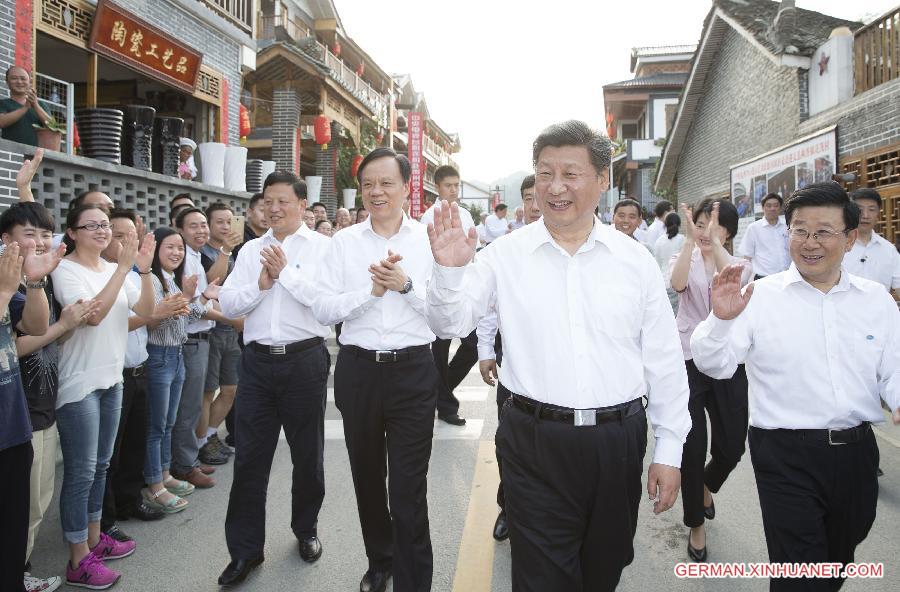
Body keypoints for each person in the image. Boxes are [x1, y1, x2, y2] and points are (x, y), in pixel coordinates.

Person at [426, 120, 690, 591]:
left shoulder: (634, 263)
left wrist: (670, 451)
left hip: (617, 441)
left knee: (603, 569)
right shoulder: (503, 255)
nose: (555, 187)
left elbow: (665, 362)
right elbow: (451, 323)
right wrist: (448, 274)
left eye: (571, 173)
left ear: (603, 180)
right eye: (545, 173)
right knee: (542, 575)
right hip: (533, 442)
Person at [691, 182, 899, 591]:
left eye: (823, 231)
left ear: (850, 237)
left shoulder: (876, 301)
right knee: (799, 572)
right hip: (784, 453)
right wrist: (720, 320)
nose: (809, 242)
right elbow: (713, 364)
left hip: (856, 453)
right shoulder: (759, 296)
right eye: (799, 230)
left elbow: (893, 370)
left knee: (837, 559)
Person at [313, 148, 439, 592]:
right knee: (367, 477)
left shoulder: (428, 241)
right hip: (359, 371)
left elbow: (446, 317)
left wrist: (403, 286)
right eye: (368, 184)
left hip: (413, 373)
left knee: (408, 489)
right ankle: (380, 561)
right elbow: (322, 306)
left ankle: (414, 580)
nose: (376, 192)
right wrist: (368, 293)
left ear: (407, 187)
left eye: (386, 183)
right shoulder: (343, 244)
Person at [217, 172, 331, 586]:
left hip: (304, 362)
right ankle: (245, 551)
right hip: (258, 364)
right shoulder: (250, 251)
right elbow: (229, 300)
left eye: (283, 201)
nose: (274, 209)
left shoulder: (323, 249)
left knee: (307, 456)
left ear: (303, 205)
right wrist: (262, 286)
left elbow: (326, 307)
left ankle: (306, 529)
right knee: (249, 459)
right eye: (269, 201)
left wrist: (287, 275)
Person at [52, 204, 156, 589]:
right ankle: (77, 559)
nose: (101, 231)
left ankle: (95, 541)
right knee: (80, 472)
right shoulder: (66, 271)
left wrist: (141, 270)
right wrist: (123, 268)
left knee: (100, 466)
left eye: (104, 225)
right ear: (72, 232)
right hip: (80, 383)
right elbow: (92, 315)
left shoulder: (115, 269)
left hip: (113, 378)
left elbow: (147, 309)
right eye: (91, 225)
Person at [668, 199, 751, 563]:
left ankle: (706, 484)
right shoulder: (682, 256)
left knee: (732, 446)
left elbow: (732, 275)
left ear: (728, 232)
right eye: (700, 223)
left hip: (727, 360)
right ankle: (695, 524)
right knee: (692, 444)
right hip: (688, 359)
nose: (704, 230)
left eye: (713, 225)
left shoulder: (741, 265)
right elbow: (678, 283)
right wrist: (690, 242)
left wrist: (714, 244)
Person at [0, 204, 73, 592]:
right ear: (6, 241)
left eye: (46, 234)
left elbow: (35, 324)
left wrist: (32, 284)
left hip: (22, 416)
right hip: (16, 414)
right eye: (30, 234)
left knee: (26, 509)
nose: (42, 242)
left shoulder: (23, 280)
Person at [476, 173, 539, 543]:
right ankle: (508, 507)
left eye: (539, 196)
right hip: (512, 361)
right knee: (509, 442)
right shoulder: (506, 248)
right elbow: (489, 307)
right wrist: (485, 351)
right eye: (529, 197)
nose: (535, 204)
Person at [100, 210, 168, 541]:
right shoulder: (101, 274)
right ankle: (105, 520)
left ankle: (129, 501)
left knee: (135, 444)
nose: (128, 241)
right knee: (109, 452)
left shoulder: (133, 274)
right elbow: (119, 322)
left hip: (141, 366)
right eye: (118, 235)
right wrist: (157, 313)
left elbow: (148, 316)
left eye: (132, 235)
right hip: (116, 372)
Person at [142, 228, 213, 515]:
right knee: (156, 425)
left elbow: (190, 315)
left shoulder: (171, 280)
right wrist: (172, 306)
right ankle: (154, 483)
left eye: (179, 249)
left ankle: (166, 473)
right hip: (158, 357)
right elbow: (152, 323)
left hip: (176, 355)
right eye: (169, 247)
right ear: (155, 249)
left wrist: (202, 296)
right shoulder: (149, 280)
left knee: (169, 422)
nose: (175, 253)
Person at [170, 208, 223, 487]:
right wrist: (230, 318)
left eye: (203, 225)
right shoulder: (183, 260)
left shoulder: (195, 257)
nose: (201, 231)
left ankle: (186, 460)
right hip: (191, 340)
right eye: (194, 226)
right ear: (179, 229)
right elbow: (194, 307)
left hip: (202, 339)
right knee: (188, 407)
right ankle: (184, 465)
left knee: (191, 405)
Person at [421, 165, 474, 427]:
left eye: (456, 185)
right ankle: (446, 405)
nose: (453, 190)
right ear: (437, 186)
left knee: (473, 345)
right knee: (438, 354)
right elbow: (424, 259)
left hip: (465, 291)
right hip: (439, 294)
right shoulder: (427, 218)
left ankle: (440, 391)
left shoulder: (465, 215)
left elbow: (473, 255)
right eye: (448, 185)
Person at [198, 203, 243, 466]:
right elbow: (210, 284)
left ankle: (212, 434)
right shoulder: (202, 253)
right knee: (208, 391)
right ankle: (201, 443)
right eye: (220, 222)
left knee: (230, 389)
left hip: (231, 329)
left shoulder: (235, 253)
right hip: (212, 329)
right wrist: (225, 251)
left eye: (230, 221)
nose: (226, 227)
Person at [842, 188, 900, 301]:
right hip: (842, 313)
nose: (865, 215)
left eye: (872, 209)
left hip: (878, 315)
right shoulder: (839, 245)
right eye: (859, 209)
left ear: (878, 214)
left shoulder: (889, 250)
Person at [738, 193, 790, 280]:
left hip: (786, 277)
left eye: (776, 206)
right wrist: (743, 280)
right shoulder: (754, 228)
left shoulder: (787, 226)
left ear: (780, 208)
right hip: (763, 278)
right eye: (768, 206)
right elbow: (747, 257)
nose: (772, 208)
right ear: (763, 208)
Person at [0, 66, 52, 146]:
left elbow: (52, 126)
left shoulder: (41, 105)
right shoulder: (3, 103)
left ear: (29, 82)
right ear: (7, 82)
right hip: (11, 153)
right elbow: (1, 122)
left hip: (36, 154)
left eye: (23, 79)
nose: (19, 82)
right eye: (14, 78)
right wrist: (25, 108)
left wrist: (36, 105)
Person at [653, 212, 686, 314]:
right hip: (677, 283)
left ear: (665, 224)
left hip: (662, 282)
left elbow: (656, 263)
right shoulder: (682, 239)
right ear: (679, 224)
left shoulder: (659, 241)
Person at [232, 193, 269, 262]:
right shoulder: (238, 236)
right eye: (262, 210)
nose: (266, 215)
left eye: (269, 211)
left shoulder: (271, 237)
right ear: (249, 212)